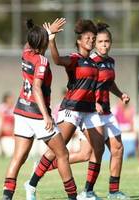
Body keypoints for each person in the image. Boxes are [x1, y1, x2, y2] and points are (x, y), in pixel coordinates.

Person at [25, 19, 105, 200]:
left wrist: (97, 101)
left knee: (96, 149)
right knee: (57, 151)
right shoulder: (74, 59)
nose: (91, 41)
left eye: (93, 38)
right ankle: (32, 182)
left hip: (90, 110)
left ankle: (88, 192)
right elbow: (57, 59)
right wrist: (51, 40)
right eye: (88, 38)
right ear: (78, 40)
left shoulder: (93, 62)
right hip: (72, 109)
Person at [2, 19, 77, 200]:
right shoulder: (42, 61)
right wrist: (46, 116)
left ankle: (6, 197)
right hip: (36, 114)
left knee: (18, 157)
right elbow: (37, 88)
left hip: (21, 111)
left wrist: (44, 33)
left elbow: (30, 41)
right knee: (62, 154)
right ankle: (73, 197)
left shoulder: (26, 52)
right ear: (43, 42)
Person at [0, 92, 15, 157]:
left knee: (16, 134)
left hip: (12, 128)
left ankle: (14, 152)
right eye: (10, 98)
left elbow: (15, 121)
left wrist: (11, 127)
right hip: (4, 127)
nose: (11, 100)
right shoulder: (2, 107)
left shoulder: (14, 108)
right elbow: (1, 119)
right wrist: (4, 127)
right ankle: (1, 151)